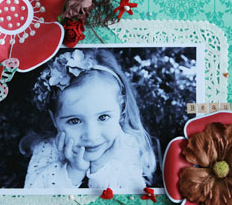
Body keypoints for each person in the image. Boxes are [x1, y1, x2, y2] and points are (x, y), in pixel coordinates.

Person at [22, 48, 156, 191]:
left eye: (103, 117)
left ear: (121, 111)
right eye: (74, 121)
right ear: (54, 119)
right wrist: (74, 171)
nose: (91, 135)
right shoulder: (48, 148)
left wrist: (100, 167)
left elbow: (129, 200)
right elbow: (34, 199)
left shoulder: (127, 145)